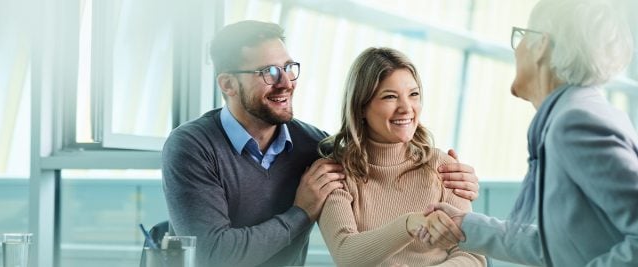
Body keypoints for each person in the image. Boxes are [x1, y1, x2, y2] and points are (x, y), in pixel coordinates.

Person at [161, 20, 483, 267]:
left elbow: (472, 252)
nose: (286, 82)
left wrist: (465, 181)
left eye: (288, 68)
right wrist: (300, 212)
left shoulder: (313, 146)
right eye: (269, 72)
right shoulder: (192, 146)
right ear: (228, 84)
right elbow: (212, 254)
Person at [418, 0, 638, 266]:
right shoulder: (574, 114)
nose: (517, 49)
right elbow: (559, 248)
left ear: (541, 45)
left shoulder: (575, 124)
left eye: (521, 36)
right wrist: (465, 225)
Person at [315, 47, 485, 266]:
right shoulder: (335, 174)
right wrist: (408, 224)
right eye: (390, 97)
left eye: (413, 94)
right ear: (360, 108)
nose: (406, 108)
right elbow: (346, 254)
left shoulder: (443, 166)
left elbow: (472, 255)